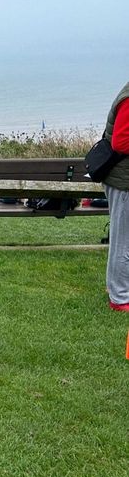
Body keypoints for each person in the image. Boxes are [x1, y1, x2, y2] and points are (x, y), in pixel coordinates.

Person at [102, 82, 129, 311]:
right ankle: (120, 299)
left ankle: (115, 287)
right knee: (123, 243)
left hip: (122, 178)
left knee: (123, 240)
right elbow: (120, 141)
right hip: (123, 182)